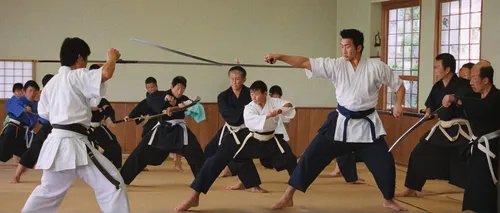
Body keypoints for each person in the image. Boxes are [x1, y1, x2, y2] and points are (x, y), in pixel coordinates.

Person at [263, 29, 407, 211]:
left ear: (359, 47)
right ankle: (288, 196)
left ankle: (388, 198)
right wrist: (280, 56)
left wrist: (398, 104)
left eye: (347, 46)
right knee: (310, 156)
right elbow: (305, 62)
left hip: (367, 124)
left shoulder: (376, 67)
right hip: (340, 122)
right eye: (341, 46)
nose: (343, 50)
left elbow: (400, 86)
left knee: (384, 162)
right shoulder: (336, 65)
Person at [21, 37, 130, 213]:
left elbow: (44, 113)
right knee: (113, 185)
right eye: (86, 59)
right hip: (74, 144)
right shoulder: (76, 76)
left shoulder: (52, 84)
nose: (86, 64)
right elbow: (106, 74)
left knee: (48, 192)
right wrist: (112, 58)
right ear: (79, 58)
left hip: (56, 143)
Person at [175, 80, 297, 211]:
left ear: (265, 94)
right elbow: (252, 122)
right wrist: (268, 115)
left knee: (293, 163)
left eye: (256, 94)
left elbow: (288, 105)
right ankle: (194, 196)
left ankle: (288, 197)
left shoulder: (273, 102)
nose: (253, 98)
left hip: (270, 140)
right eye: (251, 94)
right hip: (248, 138)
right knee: (216, 159)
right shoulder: (249, 107)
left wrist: (279, 110)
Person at [396, 53, 478, 197]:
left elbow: (466, 100)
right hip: (442, 128)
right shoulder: (438, 86)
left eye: (437, 67)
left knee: (469, 159)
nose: (435, 70)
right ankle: (411, 189)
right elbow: (431, 104)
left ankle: (476, 193)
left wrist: (452, 98)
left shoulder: (462, 84)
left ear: (447, 70)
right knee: (418, 153)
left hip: (460, 130)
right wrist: (428, 112)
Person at [119, 76, 206, 185]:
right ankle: (122, 179)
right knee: (140, 152)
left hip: (179, 131)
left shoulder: (184, 99)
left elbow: (196, 107)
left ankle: (203, 181)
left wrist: (184, 106)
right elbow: (149, 101)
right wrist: (166, 99)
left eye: (182, 89)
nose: (180, 92)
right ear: (171, 86)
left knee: (195, 151)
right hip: (161, 131)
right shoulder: (161, 96)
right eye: (177, 88)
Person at [443, 61, 498, 213]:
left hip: (492, 148)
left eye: (474, 78)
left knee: (486, 186)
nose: (471, 82)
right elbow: (464, 98)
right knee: (474, 184)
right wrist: (452, 97)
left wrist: (457, 100)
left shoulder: (496, 97)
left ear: (485, 80)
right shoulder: (477, 96)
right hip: (478, 148)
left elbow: (482, 107)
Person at [203, 66, 268, 192]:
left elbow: (258, 109)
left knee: (240, 154)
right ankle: (239, 177)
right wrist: (243, 114)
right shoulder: (223, 96)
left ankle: (252, 184)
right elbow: (226, 113)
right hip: (230, 128)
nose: (234, 82)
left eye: (237, 79)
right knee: (210, 149)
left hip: (247, 130)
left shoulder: (251, 94)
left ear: (244, 79)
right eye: (232, 79)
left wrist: (247, 117)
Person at [10, 74, 54, 183]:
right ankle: (17, 175)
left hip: (61, 126)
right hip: (47, 125)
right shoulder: (44, 97)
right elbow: (42, 116)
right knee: (34, 148)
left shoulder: (60, 94)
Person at [123, 77, 161, 171]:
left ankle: (177, 162)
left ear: (156, 86)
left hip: (162, 124)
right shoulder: (146, 101)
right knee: (145, 142)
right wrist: (130, 116)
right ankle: (142, 163)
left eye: (152, 87)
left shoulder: (163, 97)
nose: (151, 89)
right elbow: (138, 110)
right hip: (150, 125)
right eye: (148, 87)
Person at [0, 81, 41, 164]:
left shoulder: (38, 104)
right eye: (30, 90)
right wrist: (24, 108)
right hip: (14, 127)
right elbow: (11, 106)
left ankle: (23, 162)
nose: (32, 93)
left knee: (37, 141)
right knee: (10, 133)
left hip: (26, 132)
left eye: (35, 91)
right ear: (25, 91)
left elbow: (42, 117)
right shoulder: (17, 100)